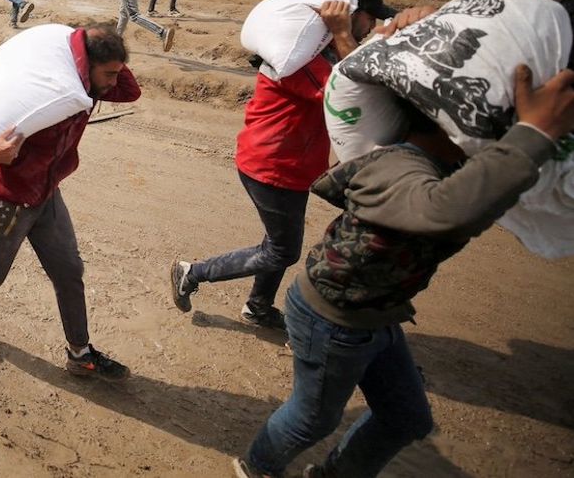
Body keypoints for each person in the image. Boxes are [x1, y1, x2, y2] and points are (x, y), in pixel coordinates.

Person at [233, 60, 574, 478]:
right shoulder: (400, 168)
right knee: (313, 419)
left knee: (406, 419)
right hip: (334, 318)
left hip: (377, 315)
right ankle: (257, 468)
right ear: (456, 128)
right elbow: (448, 213)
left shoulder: (433, 166)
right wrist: (531, 137)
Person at [171, 0, 396, 331]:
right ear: (350, 16)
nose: (372, 24)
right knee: (283, 250)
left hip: (289, 165)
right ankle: (193, 273)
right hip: (272, 166)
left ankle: (259, 306)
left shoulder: (318, 55)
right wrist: (342, 33)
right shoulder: (300, 64)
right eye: (370, 17)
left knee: (277, 242)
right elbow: (355, 96)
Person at [0, 23, 142, 382]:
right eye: (110, 73)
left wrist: (95, 49)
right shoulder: (42, 92)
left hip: (47, 194)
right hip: (8, 200)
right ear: (90, 67)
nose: (115, 81)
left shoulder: (83, 86)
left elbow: (131, 92)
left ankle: (80, 353)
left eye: (117, 72)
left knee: (69, 271)